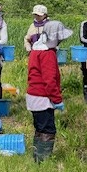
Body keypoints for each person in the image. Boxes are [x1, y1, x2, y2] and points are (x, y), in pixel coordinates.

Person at [26, 20, 73, 162]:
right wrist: (57, 100)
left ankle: (37, 158)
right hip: (42, 97)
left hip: (33, 96)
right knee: (48, 130)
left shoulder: (36, 49)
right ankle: (43, 162)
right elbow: (49, 80)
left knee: (40, 129)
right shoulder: (48, 54)